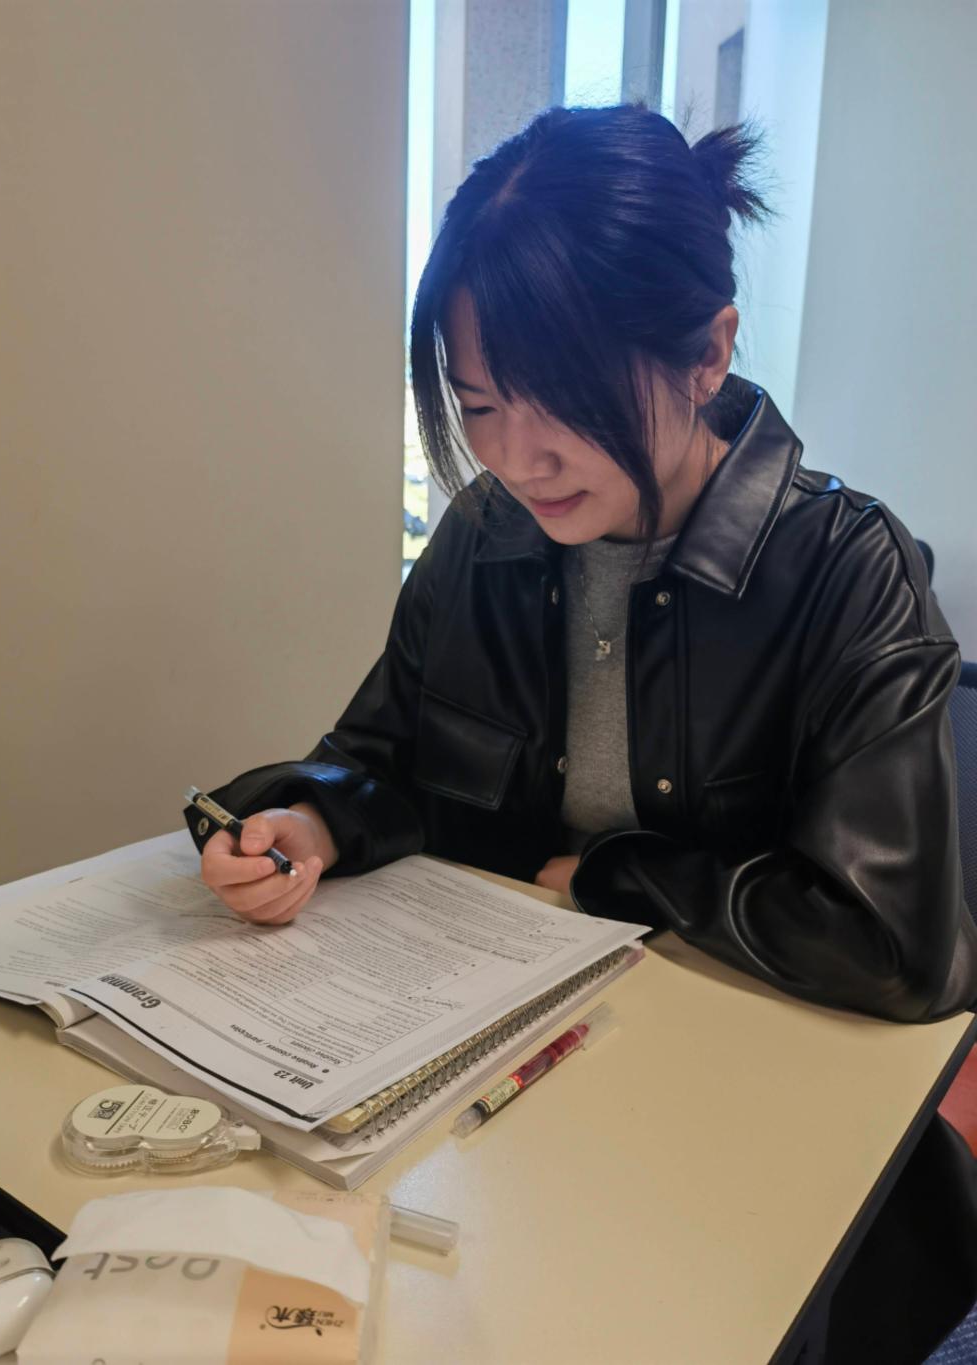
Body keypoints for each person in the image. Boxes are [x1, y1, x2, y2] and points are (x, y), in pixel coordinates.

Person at [187, 103, 977, 1361]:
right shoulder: (483, 537)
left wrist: (617, 875)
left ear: (708, 351)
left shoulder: (847, 569)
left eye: (567, 398)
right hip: (507, 1107)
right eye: (483, 403)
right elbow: (381, 759)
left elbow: (894, 947)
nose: (519, 456)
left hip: (749, 1136)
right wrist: (310, 818)